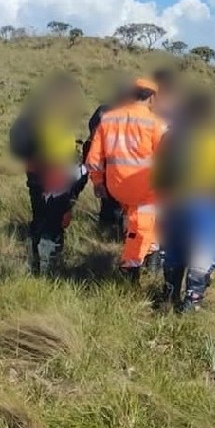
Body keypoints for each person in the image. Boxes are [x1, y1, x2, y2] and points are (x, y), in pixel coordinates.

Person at [85, 78, 169, 281]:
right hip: (145, 189)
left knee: (141, 222)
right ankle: (129, 267)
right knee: (142, 227)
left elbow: (94, 158)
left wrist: (97, 182)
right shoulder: (156, 124)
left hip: (115, 186)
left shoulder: (108, 119)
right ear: (152, 98)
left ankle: (149, 256)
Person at [152, 89, 215, 313]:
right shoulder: (212, 139)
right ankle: (192, 301)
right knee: (203, 248)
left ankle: (170, 294)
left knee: (173, 248)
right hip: (201, 200)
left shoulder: (169, 137)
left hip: (172, 201)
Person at [9, 74, 88, 275]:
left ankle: (34, 263)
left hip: (35, 174)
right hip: (56, 175)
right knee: (54, 223)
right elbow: (61, 150)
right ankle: (50, 268)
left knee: (39, 218)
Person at [81, 78, 133, 238]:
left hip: (104, 166)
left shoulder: (103, 112)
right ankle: (114, 235)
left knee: (109, 203)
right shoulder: (134, 116)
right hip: (120, 168)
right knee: (119, 205)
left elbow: (91, 141)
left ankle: (106, 234)